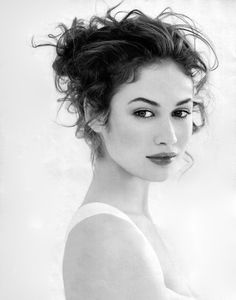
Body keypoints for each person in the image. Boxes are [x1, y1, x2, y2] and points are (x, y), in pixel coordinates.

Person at [32, 3, 218, 299]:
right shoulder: (107, 236)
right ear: (95, 112)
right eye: (144, 113)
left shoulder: (130, 224)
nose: (168, 137)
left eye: (180, 112)